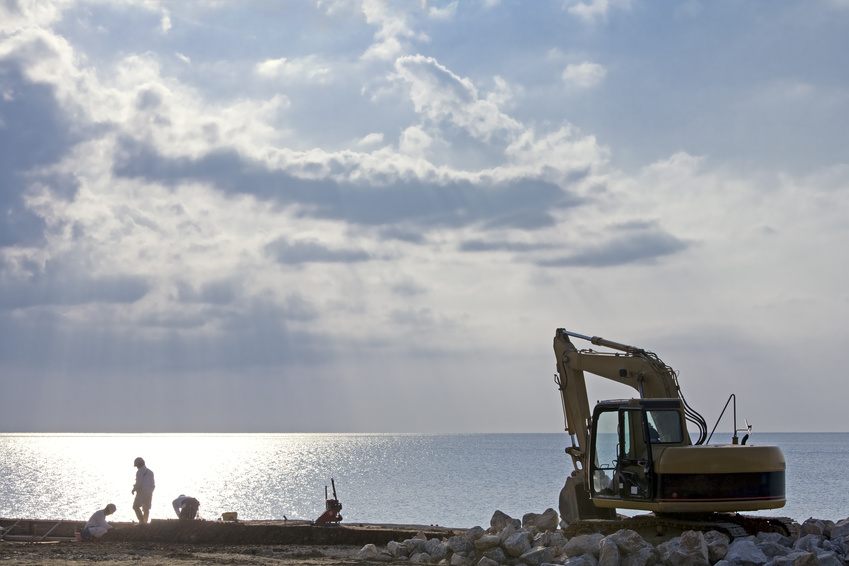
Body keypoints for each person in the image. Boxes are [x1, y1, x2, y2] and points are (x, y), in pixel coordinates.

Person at [131, 457, 155, 524]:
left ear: (138, 464)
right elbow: (153, 485)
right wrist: (150, 491)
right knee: (146, 508)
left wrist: (134, 489)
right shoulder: (150, 472)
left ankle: (142, 522)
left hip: (142, 492)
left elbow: (139, 483)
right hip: (150, 492)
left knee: (135, 506)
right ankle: (145, 522)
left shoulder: (139, 472)